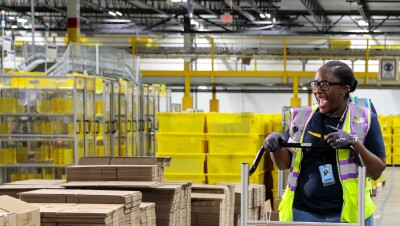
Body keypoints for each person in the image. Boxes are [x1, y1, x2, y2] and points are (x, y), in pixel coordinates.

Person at [263, 61, 386, 225]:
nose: (318, 90)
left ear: (345, 89)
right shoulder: (300, 118)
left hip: (349, 216)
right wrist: (275, 145)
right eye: (316, 84)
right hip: (304, 214)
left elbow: (376, 171)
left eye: (325, 85)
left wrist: (354, 143)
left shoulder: (365, 119)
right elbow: (283, 164)